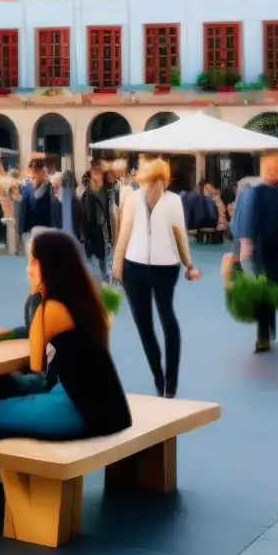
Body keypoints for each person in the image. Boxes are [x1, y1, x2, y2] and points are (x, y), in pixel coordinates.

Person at [0, 229, 130, 535]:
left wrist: (36, 299)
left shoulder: (50, 307)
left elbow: (36, 366)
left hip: (79, 408)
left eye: (32, 261)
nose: (27, 267)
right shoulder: (79, 303)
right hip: (103, 404)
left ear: (47, 266)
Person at [112, 158, 199, 398]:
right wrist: (118, 264)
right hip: (145, 267)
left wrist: (188, 265)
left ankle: (165, 382)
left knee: (157, 322)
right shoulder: (139, 198)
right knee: (154, 322)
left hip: (152, 267)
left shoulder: (168, 201)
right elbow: (127, 231)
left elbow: (178, 234)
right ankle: (164, 382)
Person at [235, 152, 278, 351]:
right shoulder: (259, 193)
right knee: (265, 290)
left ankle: (266, 328)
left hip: (275, 250)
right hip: (265, 250)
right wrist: (247, 243)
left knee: (271, 289)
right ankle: (263, 334)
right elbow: (251, 220)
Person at [79, 166, 113, 279]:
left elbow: (107, 215)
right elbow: (85, 217)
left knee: (101, 263)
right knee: (96, 265)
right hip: (95, 236)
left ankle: (102, 278)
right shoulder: (87, 195)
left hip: (101, 236)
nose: (100, 179)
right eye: (97, 176)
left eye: (101, 176)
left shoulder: (104, 193)